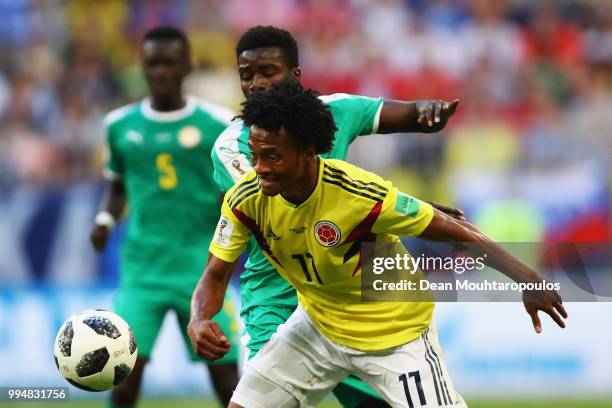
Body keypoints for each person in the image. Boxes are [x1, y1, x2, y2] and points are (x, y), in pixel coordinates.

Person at [189, 80, 568, 408]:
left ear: (308, 154)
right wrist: (200, 318)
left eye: (272, 156)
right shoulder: (246, 199)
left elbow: (451, 228)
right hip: (318, 327)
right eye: (255, 155)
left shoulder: (358, 193)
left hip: (394, 336)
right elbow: (216, 273)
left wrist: (529, 279)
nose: (260, 168)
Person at [209, 25, 462, 408]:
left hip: (347, 290)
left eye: (268, 72)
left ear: (295, 76)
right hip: (276, 293)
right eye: (247, 75)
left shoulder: (336, 111)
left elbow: (407, 114)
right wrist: (397, 208)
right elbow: (282, 200)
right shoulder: (234, 147)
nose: (257, 84)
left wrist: (428, 111)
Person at [90, 26, 240, 408]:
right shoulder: (119, 126)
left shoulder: (218, 124)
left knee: (228, 382)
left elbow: (234, 194)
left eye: (169, 63)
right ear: (142, 66)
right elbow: (118, 185)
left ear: (186, 65)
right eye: (152, 63)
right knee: (121, 381)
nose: (160, 72)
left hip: (202, 269)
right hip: (143, 271)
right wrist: (105, 220)